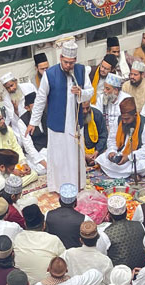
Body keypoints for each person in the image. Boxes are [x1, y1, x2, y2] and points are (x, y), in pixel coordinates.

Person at [29, 39, 94, 190]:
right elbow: (40, 99)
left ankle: (77, 185)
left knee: (75, 156)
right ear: (60, 58)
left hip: (75, 124)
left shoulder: (81, 71)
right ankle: (59, 187)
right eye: (65, 62)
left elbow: (90, 92)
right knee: (59, 157)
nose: (68, 66)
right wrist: (33, 122)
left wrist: (81, 92)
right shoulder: (50, 74)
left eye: (71, 63)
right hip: (57, 125)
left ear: (75, 60)